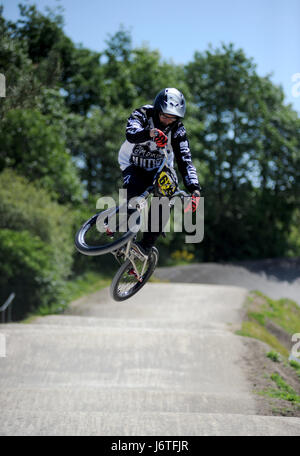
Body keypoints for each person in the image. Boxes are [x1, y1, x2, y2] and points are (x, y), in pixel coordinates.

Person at [118, 87, 201, 256]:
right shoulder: (142, 113)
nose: (167, 121)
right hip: (132, 163)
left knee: (167, 194)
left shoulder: (178, 130)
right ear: (157, 109)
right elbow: (131, 134)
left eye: (173, 118)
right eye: (164, 116)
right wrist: (151, 133)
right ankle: (125, 238)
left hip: (159, 169)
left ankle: (146, 246)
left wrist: (195, 189)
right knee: (134, 192)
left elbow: (185, 160)